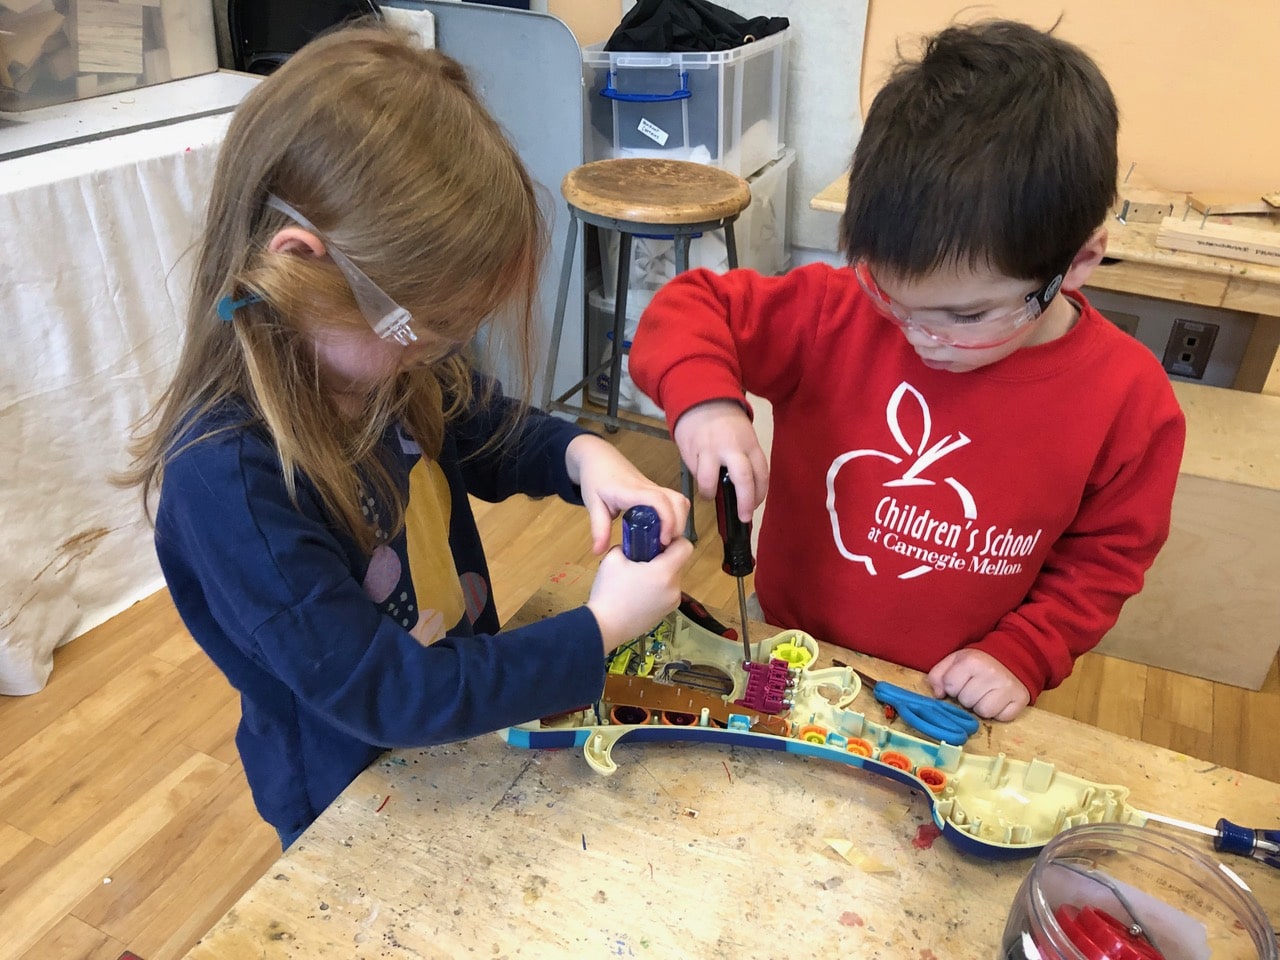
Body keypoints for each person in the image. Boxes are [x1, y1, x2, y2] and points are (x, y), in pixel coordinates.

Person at [122, 24, 692, 848]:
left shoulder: (377, 366)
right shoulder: (229, 484)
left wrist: (582, 455)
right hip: (348, 798)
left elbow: (487, 424)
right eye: (425, 329)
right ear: (299, 266)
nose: (439, 355)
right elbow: (392, 694)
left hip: (463, 735)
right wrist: (596, 631)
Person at [629, 19, 1185, 722]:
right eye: (892, 298)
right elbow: (689, 308)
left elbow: (1104, 562)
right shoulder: (836, 312)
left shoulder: (1128, 401)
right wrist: (707, 402)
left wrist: (1025, 651)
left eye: (965, 315)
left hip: (945, 688)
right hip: (790, 638)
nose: (921, 336)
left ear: (1076, 263)